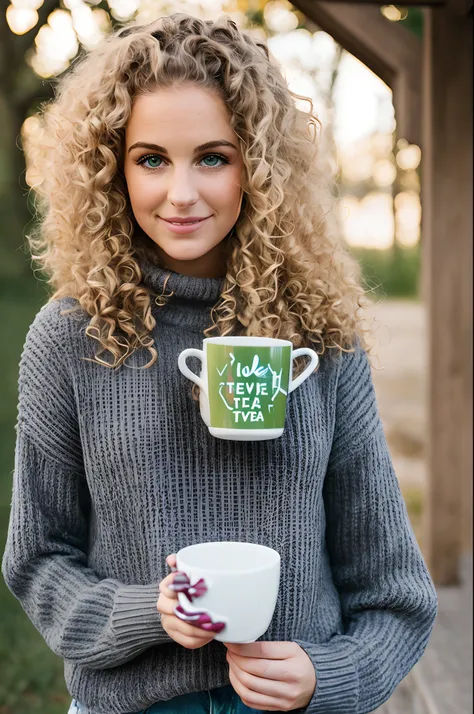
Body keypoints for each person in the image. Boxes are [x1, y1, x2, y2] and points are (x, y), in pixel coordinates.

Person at [1, 12, 437, 714]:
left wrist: (328, 676)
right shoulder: (70, 338)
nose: (181, 193)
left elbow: (396, 595)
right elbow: (39, 561)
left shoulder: (319, 337)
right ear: (111, 168)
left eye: (213, 156)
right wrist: (153, 612)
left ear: (258, 167)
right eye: (151, 159)